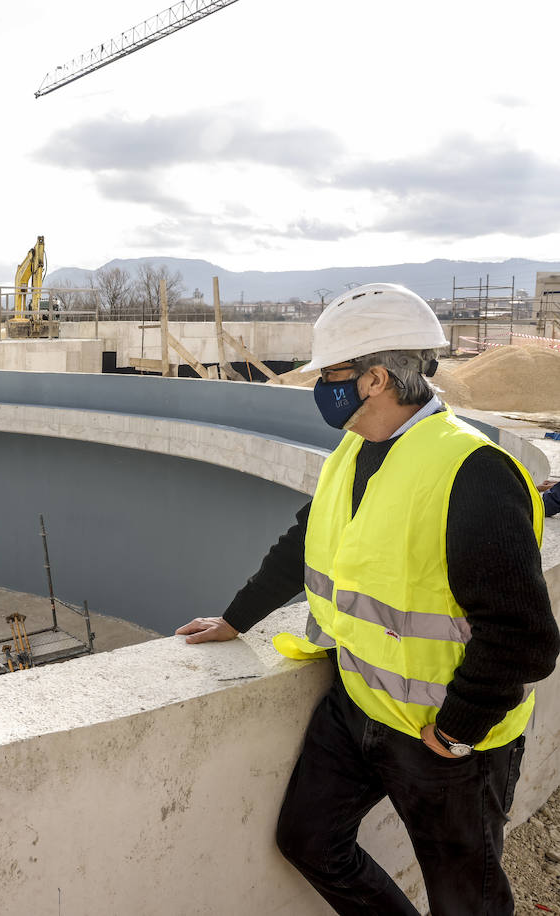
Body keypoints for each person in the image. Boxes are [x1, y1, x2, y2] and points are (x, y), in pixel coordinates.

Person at [176, 283, 557, 916]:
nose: (319, 386)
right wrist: (236, 617)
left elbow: (525, 636)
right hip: (356, 709)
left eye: (330, 373)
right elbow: (308, 540)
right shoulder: (354, 450)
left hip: (445, 741)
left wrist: (457, 730)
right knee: (309, 840)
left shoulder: (473, 472)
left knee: (468, 902)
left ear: (376, 378)